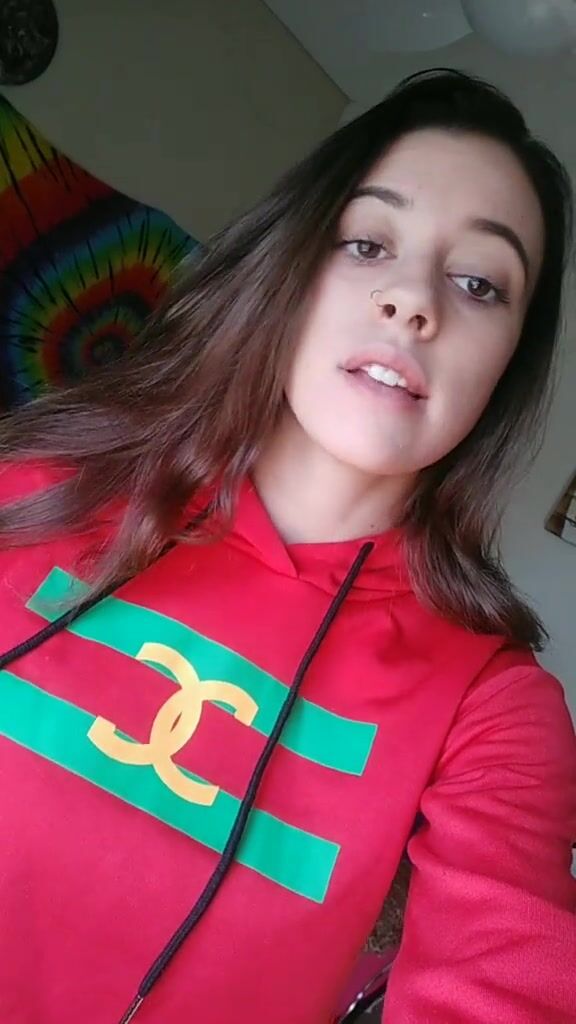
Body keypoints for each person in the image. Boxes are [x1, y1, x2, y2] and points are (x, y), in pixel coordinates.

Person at [0, 69, 574, 1024]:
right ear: (291, 265)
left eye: (479, 282)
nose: (412, 300)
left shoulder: (491, 713)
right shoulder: (38, 488)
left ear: (506, 366)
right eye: (368, 243)